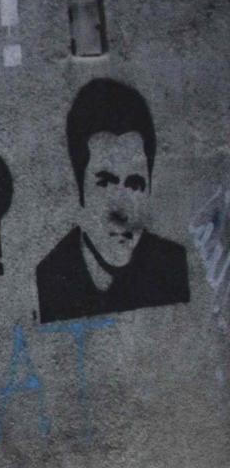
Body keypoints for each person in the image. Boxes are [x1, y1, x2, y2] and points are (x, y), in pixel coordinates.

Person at [35, 77, 190, 322]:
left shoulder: (173, 267)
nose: (121, 213)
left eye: (135, 184)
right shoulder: (50, 278)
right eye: (104, 183)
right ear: (79, 188)